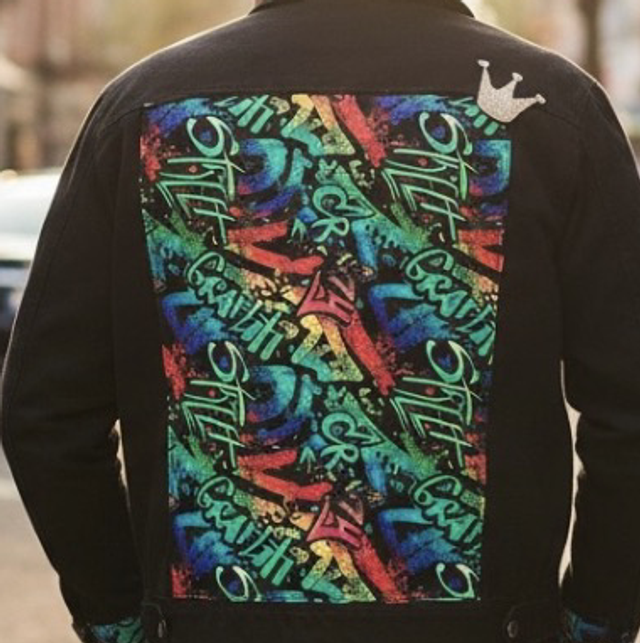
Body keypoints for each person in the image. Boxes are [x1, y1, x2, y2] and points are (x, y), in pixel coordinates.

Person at [1, 0, 639, 641]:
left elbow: (46, 409)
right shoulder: (550, 108)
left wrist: (118, 619)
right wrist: (595, 619)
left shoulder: (143, 110)